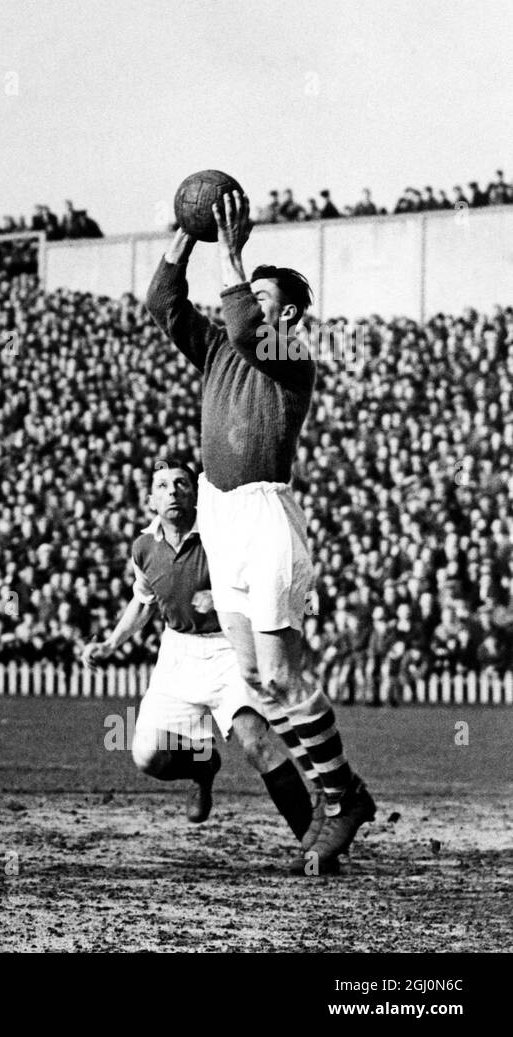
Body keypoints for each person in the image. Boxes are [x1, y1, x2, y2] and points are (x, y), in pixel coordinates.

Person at [145, 191, 377, 876]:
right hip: (222, 518)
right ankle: (339, 799)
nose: (247, 297)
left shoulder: (289, 352)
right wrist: (186, 237)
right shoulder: (218, 348)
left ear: (290, 313)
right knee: (253, 674)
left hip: (265, 516)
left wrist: (234, 253)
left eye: (263, 293)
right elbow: (164, 304)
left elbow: (247, 324)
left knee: (279, 671)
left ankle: (343, 797)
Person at [81, 458, 323, 847]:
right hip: (178, 654)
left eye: (181, 484)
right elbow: (142, 601)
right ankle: (204, 767)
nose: (173, 492)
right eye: (162, 486)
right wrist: (112, 642)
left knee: (255, 744)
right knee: (149, 758)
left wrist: (226, 596)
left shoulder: (219, 535)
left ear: (196, 494)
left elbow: (263, 575)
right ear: (150, 501)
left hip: (229, 647)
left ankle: (315, 844)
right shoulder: (144, 547)